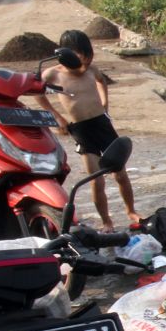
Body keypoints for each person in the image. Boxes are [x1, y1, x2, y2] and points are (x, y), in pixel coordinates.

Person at [35, 29, 139, 231]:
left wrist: (105, 103)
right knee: (96, 180)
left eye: (88, 55)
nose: (85, 60)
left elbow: (102, 82)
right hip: (81, 130)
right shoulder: (52, 74)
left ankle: (131, 211)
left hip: (102, 124)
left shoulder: (92, 70)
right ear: (66, 54)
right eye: (81, 55)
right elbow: (37, 93)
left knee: (120, 174)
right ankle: (107, 221)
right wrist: (56, 116)